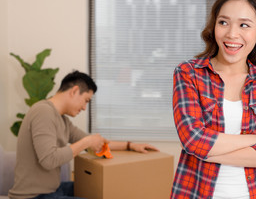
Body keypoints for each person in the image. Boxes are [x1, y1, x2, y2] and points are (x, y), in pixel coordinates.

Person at [171, 0, 256, 199]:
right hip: (197, 192)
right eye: (223, 22)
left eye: (244, 25)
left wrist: (208, 153)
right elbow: (192, 139)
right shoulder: (189, 73)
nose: (232, 34)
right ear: (214, 26)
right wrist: (255, 139)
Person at [9, 70, 158, 199]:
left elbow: (95, 141)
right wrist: (86, 143)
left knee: (100, 188)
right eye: (86, 100)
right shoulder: (43, 112)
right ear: (74, 91)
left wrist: (130, 145)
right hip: (34, 196)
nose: (85, 108)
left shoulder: (62, 120)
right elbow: (49, 159)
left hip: (52, 190)